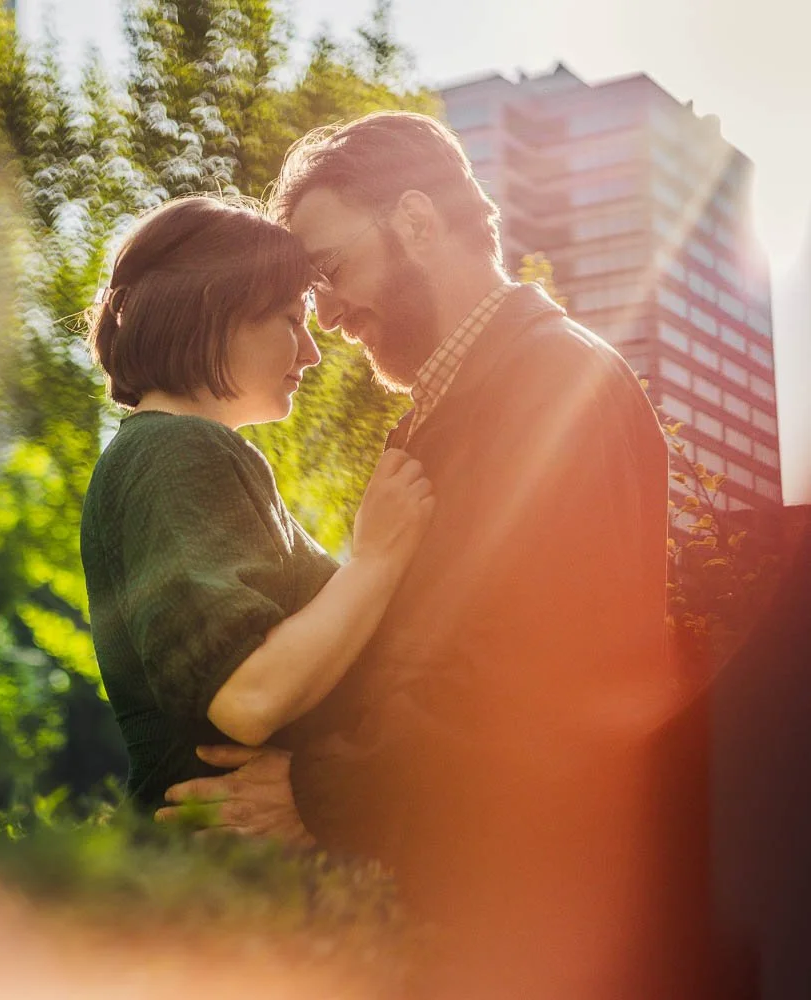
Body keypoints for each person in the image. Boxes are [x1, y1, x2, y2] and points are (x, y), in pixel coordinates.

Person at [169, 112, 683, 997]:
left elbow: (544, 670)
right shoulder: (453, 406)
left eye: (328, 271)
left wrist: (318, 794)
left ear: (416, 221)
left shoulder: (558, 383)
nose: (323, 315)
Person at [78, 195, 434, 824]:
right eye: (289, 319)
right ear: (215, 313)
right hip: (214, 893)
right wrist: (376, 560)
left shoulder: (178, 452)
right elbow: (248, 695)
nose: (311, 352)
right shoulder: (175, 450)